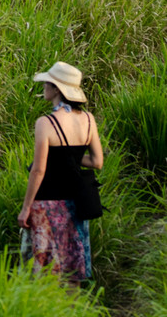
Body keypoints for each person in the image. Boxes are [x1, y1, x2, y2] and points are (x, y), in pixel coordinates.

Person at [17, 61, 104, 283]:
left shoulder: (45, 123)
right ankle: (71, 315)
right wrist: (71, 158)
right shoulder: (88, 120)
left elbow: (38, 170)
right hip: (77, 203)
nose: (44, 86)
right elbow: (96, 161)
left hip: (46, 205)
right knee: (71, 270)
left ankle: (45, 313)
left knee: (44, 271)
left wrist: (25, 208)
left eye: (48, 83)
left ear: (57, 89)